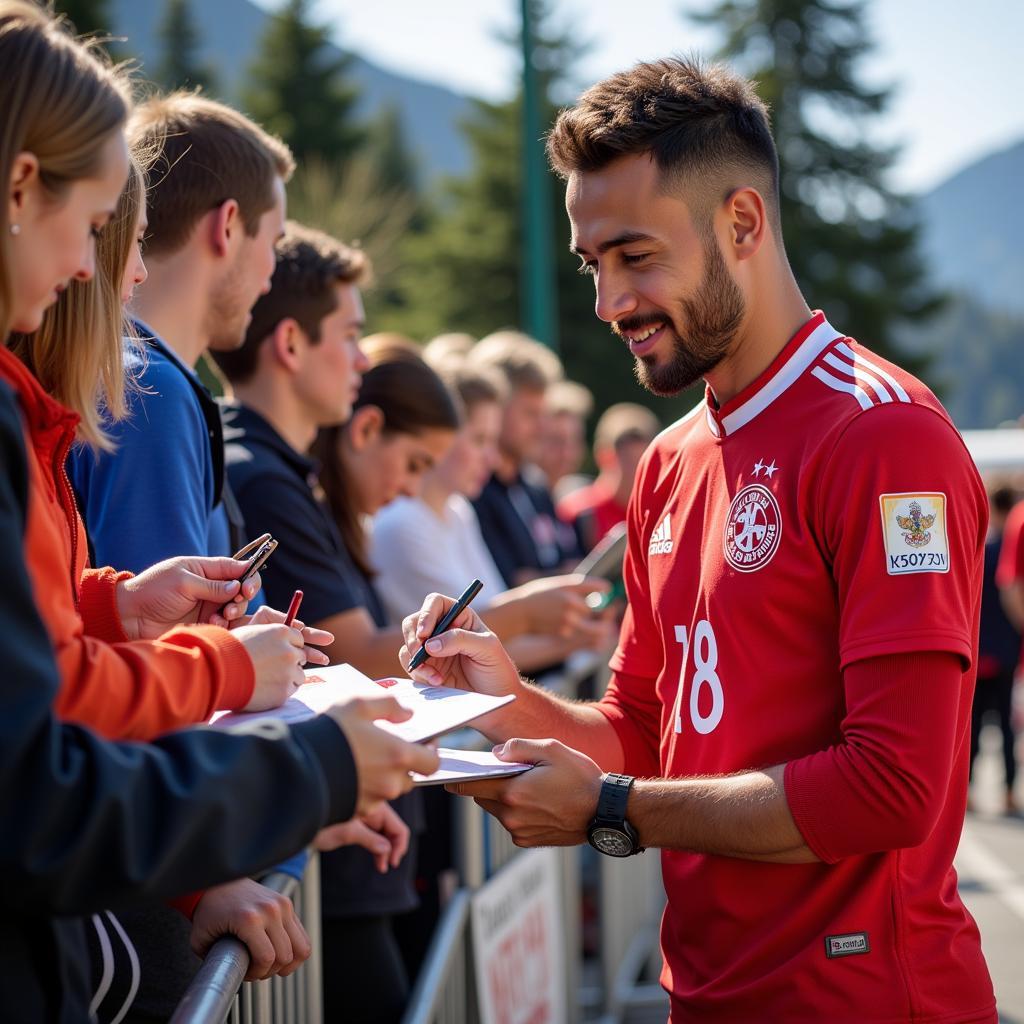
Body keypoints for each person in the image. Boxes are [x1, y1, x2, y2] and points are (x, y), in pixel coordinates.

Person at [399, 57, 996, 1023]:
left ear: (744, 224)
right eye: (594, 265)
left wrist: (611, 814)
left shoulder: (886, 436)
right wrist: (507, 704)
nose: (609, 303)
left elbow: (891, 788)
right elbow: (646, 729)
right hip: (708, 995)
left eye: (636, 256)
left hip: (864, 999)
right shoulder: (673, 460)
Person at [0, 5, 437, 1017]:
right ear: (24, 185)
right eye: (102, 227)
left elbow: (47, 647)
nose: (112, 268)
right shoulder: (140, 396)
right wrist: (278, 734)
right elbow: (50, 755)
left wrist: (112, 605)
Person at [213, 243, 457, 1023]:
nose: (361, 360)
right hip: (315, 846)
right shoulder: (260, 473)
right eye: (350, 336)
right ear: (291, 345)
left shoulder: (288, 476)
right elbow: (349, 652)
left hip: (334, 824)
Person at [68, 90, 293, 572]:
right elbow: (170, 640)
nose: (271, 275)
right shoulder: (150, 392)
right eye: (273, 243)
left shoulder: (116, 373)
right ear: (228, 226)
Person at [372, 361, 613, 673]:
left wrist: (577, 636)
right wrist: (565, 635)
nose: (493, 456)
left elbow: (493, 630)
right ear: (440, 438)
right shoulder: (403, 523)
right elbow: (469, 645)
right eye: (479, 439)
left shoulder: (458, 511)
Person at [467, 330, 581, 585]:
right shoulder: (473, 493)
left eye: (544, 414)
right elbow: (505, 586)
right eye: (530, 414)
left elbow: (565, 560)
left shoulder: (535, 488)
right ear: (496, 409)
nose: (542, 427)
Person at [970, 485, 1020, 815]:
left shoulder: (982, 549)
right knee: (1006, 725)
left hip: (978, 649)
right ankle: (1008, 793)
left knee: (971, 727)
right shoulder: (1010, 548)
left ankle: (965, 792)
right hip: (1006, 649)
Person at [557, 402, 660, 550]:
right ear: (604, 456)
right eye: (629, 462)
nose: (638, 473)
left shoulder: (657, 514)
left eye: (645, 463)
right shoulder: (577, 513)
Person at [533, 378, 593, 502]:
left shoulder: (580, 500)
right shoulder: (518, 495)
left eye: (575, 441)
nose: (567, 454)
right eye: (556, 441)